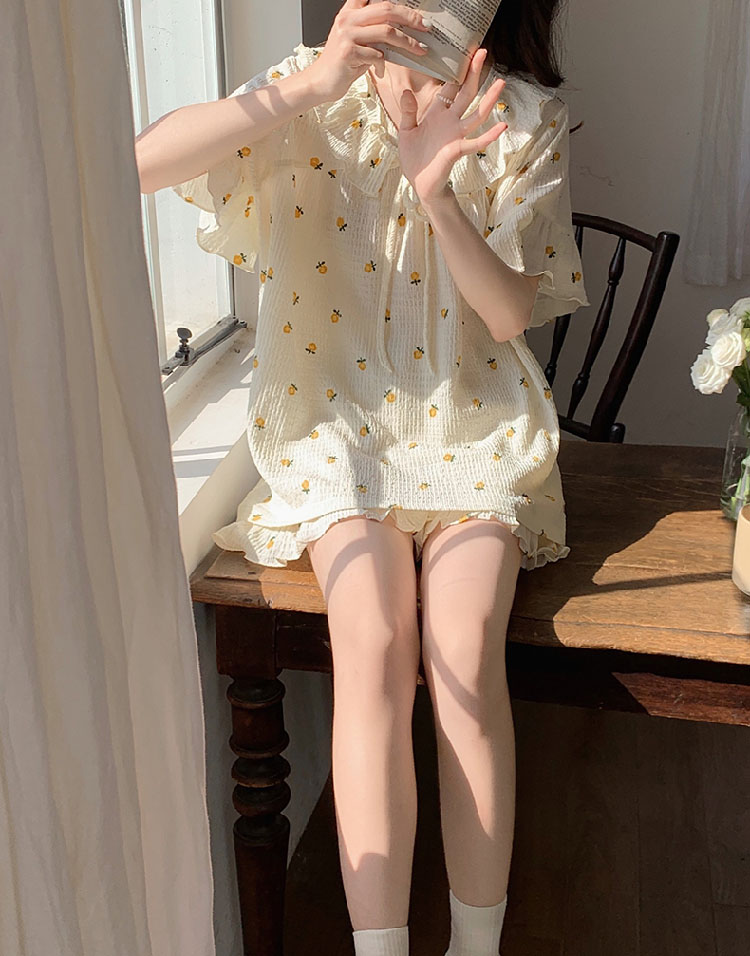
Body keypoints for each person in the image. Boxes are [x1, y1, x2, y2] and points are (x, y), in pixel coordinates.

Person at [136, 1, 588, 953]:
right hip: (335, 431)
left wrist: (437, 194)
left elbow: (509, 315)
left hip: (475, 429)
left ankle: (476, 946)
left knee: (464, 646)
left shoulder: (520, 117)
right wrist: (310, 83)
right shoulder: (312, 90)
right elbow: (138, 162)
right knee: (373, 640)